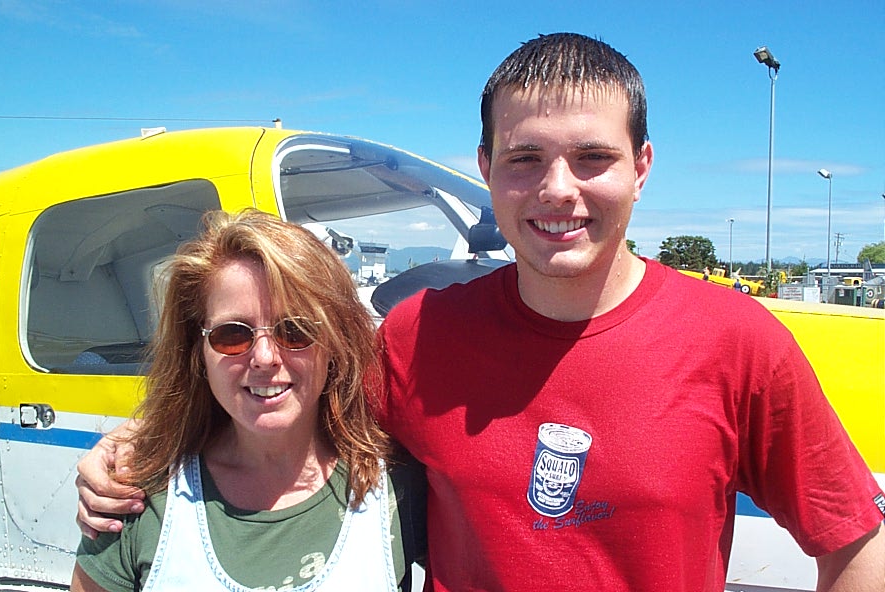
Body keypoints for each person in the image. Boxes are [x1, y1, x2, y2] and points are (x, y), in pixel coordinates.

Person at [76, 34, 884, 591]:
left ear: (642, 168)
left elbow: (853, 535)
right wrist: (130, 449)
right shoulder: (418, 335)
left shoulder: (737, 342)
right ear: (487, 169)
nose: (558, 190)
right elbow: (275, 403)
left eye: (592, 158)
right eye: (525, 159)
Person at [71, 209, 425, 591]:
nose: (265, 357)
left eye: (295, 330)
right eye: (232, 335)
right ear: (198, 352)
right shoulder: (135, 499)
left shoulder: (396, 486)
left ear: (334, 345)